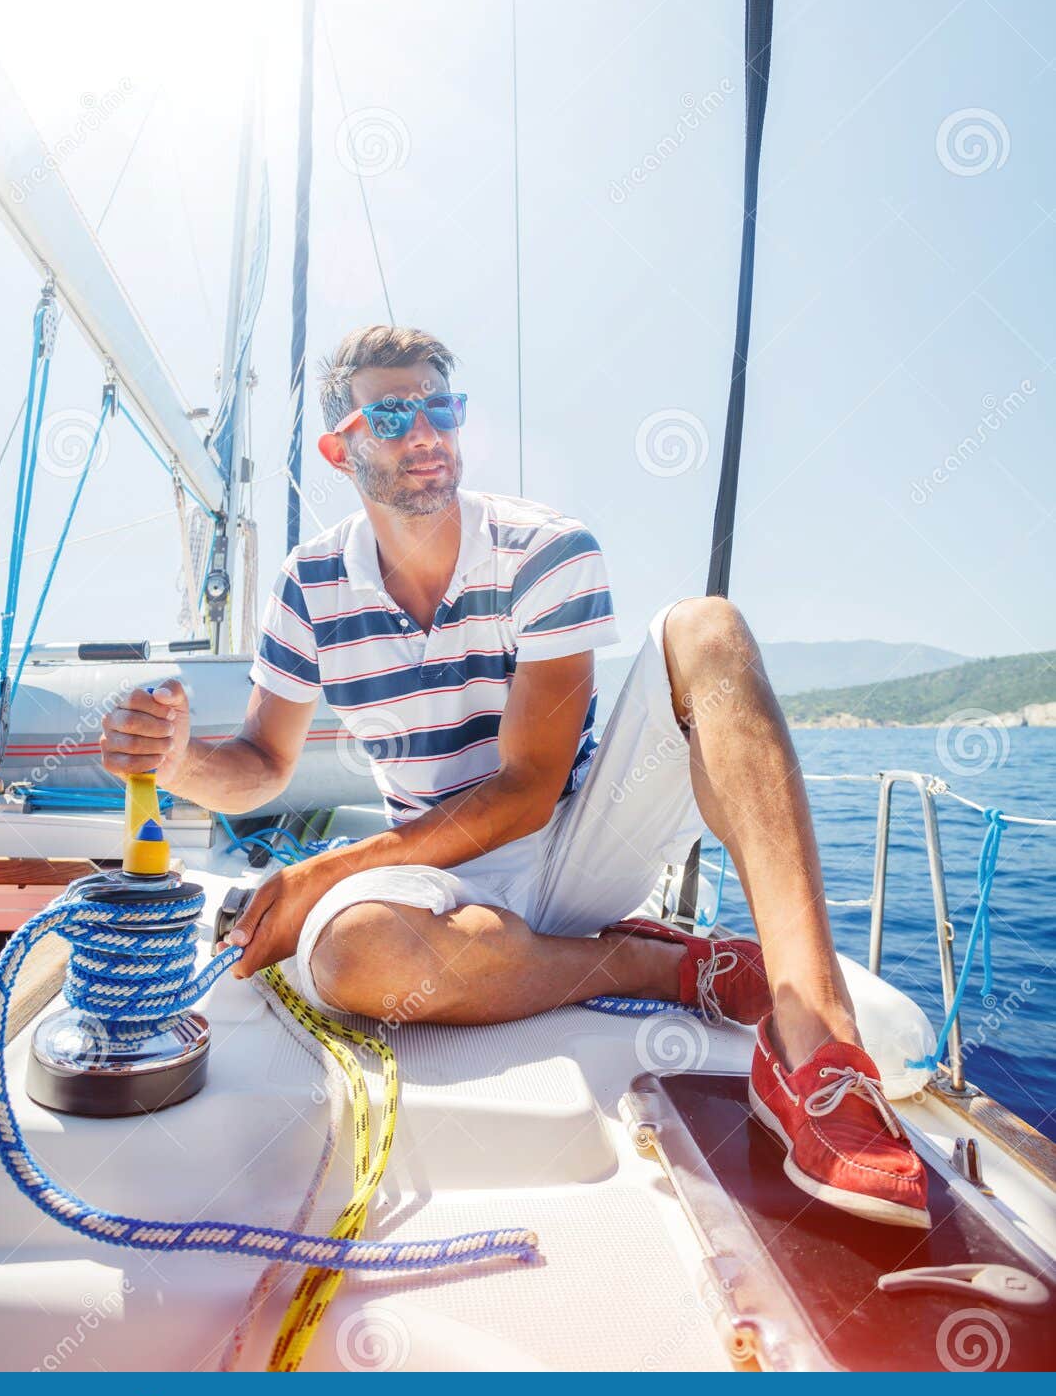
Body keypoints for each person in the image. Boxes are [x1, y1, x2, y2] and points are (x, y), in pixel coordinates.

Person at [101, 323, 928, 1229]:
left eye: (440, 408)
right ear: (341, 448)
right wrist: (179, 762)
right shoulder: (308, 588)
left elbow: (528, 788)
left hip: (576, 838)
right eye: (392, 413)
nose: (426, 433)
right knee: (350, 957)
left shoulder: (545, 551)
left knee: (707, 629)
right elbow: (261, 765)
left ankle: (817, 1049)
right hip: (444, 872)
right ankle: (653, 966)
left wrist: (326, 869)